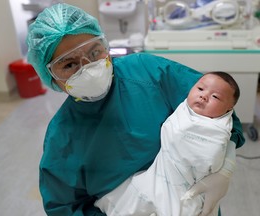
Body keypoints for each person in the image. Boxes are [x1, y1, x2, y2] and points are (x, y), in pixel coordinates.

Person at [26, 3, 245, 216]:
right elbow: (64, 207)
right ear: (51, 77)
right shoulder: (62, 138)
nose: (88, 67)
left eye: (94, 52)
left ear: (105, 45)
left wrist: (226, 166)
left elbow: (221, 103)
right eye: (69, 64)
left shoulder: (148, 72)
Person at [94, 71, 240, 216]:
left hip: (189, 188)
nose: (204, 96)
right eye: (200, 89)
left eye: (215, 96)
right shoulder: (184, 107)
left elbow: (210, 155)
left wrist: (226, 169)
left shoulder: (218, 129)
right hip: (161, 173)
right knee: (130, 195)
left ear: (229, 110)